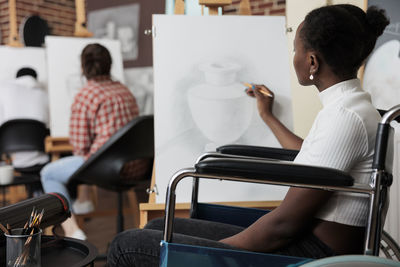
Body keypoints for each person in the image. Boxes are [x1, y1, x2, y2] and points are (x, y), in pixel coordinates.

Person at [106, 4, 390, 266]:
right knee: (156, 227)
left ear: (312, 62)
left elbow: (284, 226)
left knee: (125, 245)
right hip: (306, 239)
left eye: (295, 50)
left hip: (311, 253)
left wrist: (209, 253)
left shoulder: (343, 118)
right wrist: (268, 116)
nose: (294, 57)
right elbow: (312, 159)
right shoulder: (351, 108)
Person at [40, 43, 145, 240]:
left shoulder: (86, 94)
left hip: (107, 169)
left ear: (83, 68)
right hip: (137, 167)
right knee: (88, 158)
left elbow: (79, 146)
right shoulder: (124, 90)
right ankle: (83, 199)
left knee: (49, 173)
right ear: (110, 64)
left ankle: (72, 229)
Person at [0, 67, 50, 169]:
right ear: (35, 79)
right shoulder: (45, 95)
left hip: (8, 161)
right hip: (42, 158)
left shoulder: (3, 90)